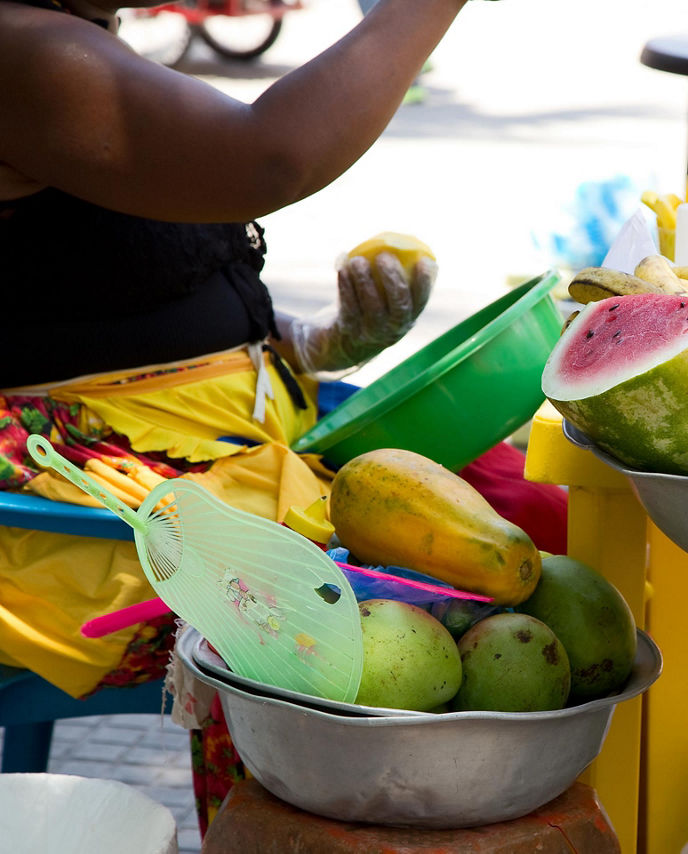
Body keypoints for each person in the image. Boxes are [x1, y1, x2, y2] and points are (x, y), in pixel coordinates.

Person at [0, 0, 567, 835]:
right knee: (415, 604)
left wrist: (312, 344)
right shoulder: (22, 53)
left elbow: (93, 308)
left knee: (538, 507)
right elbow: (270, 153)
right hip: (84, 501)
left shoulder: (75, 46)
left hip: (231, 455)